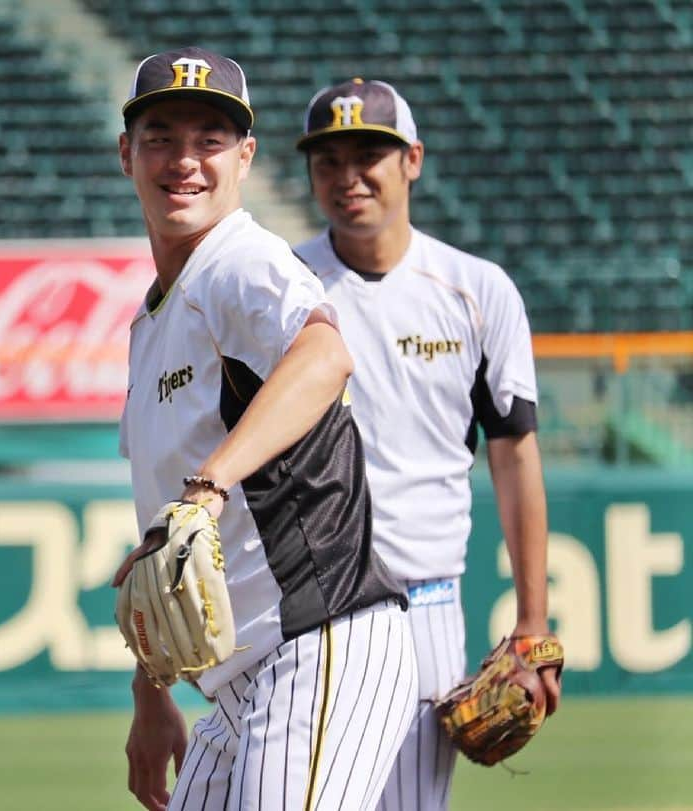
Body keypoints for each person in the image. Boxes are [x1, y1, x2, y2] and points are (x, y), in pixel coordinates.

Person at [110, 47, 418, 811]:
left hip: (320, 644)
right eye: (161, 137)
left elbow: (323, 352)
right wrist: (152, 695)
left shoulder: (238, 263)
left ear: (244, 157)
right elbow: (165, 539)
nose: (185, 160)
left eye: (209, 139)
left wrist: (210, 484)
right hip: (238, 682)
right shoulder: (151, 325)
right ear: (126, 154)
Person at [292, 78, 563, 810]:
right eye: (328, 159)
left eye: (369, 155)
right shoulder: (284, 286)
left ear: (413, 159)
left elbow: (513, 453)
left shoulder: (477, 290)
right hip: (308, 609)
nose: (348, 176)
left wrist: (532, 625)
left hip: (426, 606)